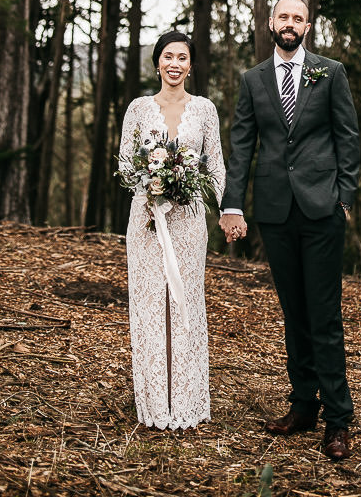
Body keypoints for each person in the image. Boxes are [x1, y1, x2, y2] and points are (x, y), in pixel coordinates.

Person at [219, 0, 359, 462]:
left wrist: (345, 199)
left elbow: (348, 137)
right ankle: (303, 406)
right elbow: (242, 146)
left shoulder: (330, 72)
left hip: (322, 211)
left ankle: (338, 419)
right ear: (271, 22)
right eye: (284, 17)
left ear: (308, 26)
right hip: (276, 211)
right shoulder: (253, 80)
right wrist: (232, 205)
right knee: (293, 313)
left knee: (324, 316)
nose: (290, 24)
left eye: (298, 18)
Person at [119, 30, 225, 429]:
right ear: (157, 63)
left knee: (184, 304)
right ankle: (153, 405)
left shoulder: (205, 110)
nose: (175, 64)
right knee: (149, 306)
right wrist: (151, 179)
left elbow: (215, 166)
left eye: (182, 57)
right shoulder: (139, 109)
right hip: (146, 219)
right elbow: (127, 163)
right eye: (168, 56)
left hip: (188, 221)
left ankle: (186, 402)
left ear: (191, 65)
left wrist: (228, 210)